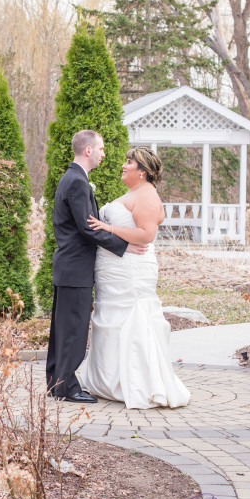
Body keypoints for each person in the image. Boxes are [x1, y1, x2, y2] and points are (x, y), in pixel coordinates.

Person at [81, 146, 191, 409]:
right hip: (115, 271)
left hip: (130, 271)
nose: (124, 165)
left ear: (142, 171)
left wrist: (108, 227)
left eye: (129, 162)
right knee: (112, 319)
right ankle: (109, 380)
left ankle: (138, 383)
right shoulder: (135, 193)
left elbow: (146, 235)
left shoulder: (147, 196)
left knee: (131, 319)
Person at [46, 130, 146, 403]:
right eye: (101, 148)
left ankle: (57, 384)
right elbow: (89, 229)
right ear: (88, 150)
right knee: (74, 330)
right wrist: (124, 246)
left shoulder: (73, 178)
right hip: (75, 268)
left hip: (69, 267)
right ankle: (67, 388)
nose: (104, 153)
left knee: (63, 329)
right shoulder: (77, 182)